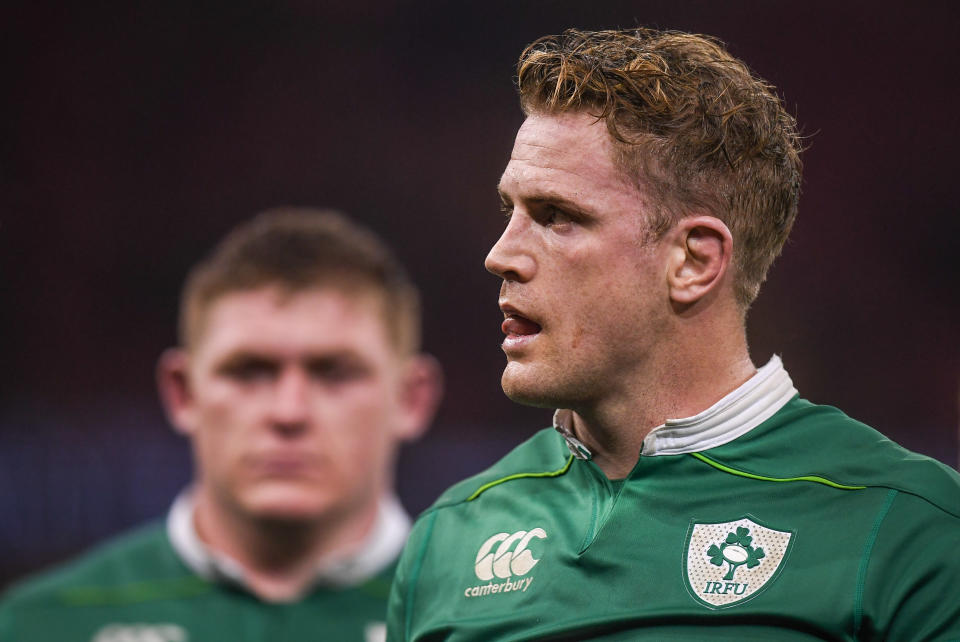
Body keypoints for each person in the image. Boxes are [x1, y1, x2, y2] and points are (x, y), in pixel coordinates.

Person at [387, 28, 960, 641]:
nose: (501, 255)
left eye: (557, 218)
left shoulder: (906, 525)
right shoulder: (449, 537)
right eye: (512, 212)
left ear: (692, 262)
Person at [0, 208, 442, 641]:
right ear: (182, 393)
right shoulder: (43, 624)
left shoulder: (485, 621)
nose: (289, 412)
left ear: (410, 399)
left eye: (334, 372)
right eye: (249, 371)